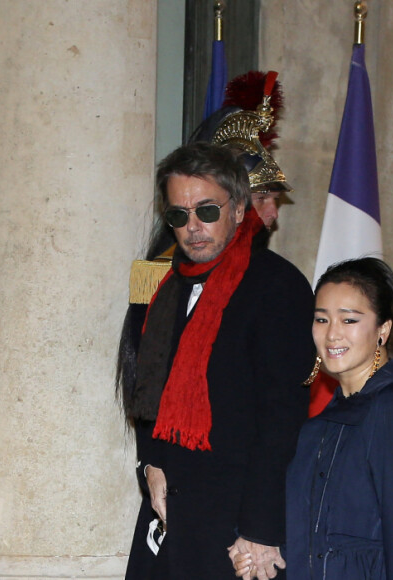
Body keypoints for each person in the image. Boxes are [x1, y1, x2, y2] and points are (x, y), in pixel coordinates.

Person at [122, 141, 315, 580]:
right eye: (178, 215)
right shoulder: (166, 288)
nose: (193, 227)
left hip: (239, 526)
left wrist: (261, 530)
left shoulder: (276, 287)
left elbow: (282, 419)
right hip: (170, 515)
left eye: (207, 211)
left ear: (240, 208)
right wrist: (149, 465)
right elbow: (147, 396)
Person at [236, 257, 393, 579]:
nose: (332, 335)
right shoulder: (322, 423)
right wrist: (266, 553)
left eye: (349, 320)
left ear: (383, 329)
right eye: (321, 319)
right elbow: (320, 534)